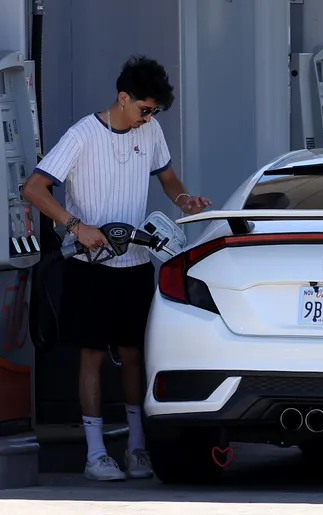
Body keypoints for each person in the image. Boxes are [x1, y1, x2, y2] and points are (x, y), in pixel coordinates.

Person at [20, 55, 211, 481]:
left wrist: (184, 200)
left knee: (133, 353)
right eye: (144, 109)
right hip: (90, 263)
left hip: (137, 260)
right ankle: (94, 455)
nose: (149, 117)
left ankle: (137, 449)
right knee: (91, 355)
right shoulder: (83, 135)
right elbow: (33, 188)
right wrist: (75, 226)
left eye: (155, 111)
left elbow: (168, 179)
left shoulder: (151, 131)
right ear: (123, 98)